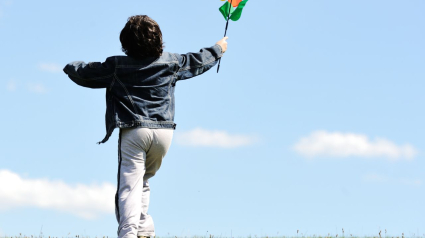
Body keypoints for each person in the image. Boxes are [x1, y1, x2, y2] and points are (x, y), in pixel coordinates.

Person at [63, 15, 228, 238]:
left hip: (135, 131)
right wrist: (218, 48)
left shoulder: (116, 66)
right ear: (159, 39)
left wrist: (70, 66)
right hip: (164, 134)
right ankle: (145, 232)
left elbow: (84, 73)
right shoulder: (172, 61)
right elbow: (198, 61)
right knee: (142, 180)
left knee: (129, 186)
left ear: (126, 43)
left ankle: (129, 234)